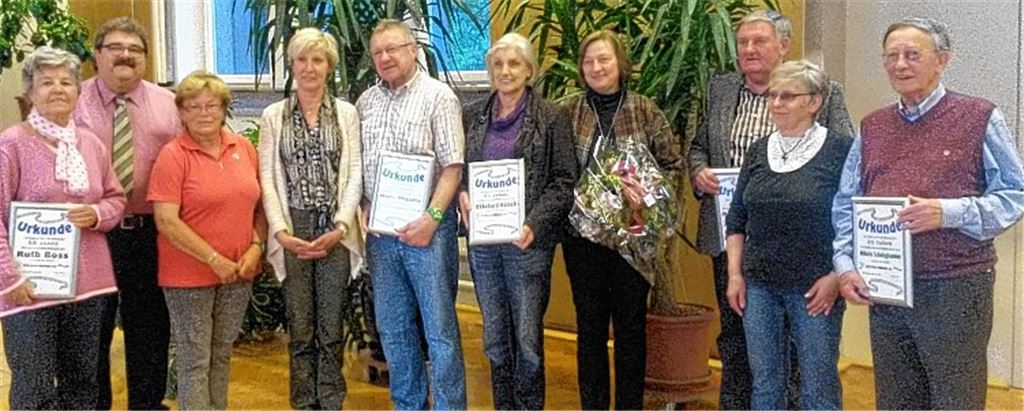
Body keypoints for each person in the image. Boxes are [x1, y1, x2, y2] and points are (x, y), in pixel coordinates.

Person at [832, 17, 1024, 409]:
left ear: (942, 59)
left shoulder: (980, 117)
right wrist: (844, 263)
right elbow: (845, 201)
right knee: (896, 400)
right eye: (891, 57)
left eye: (912, 55)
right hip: (887, 291)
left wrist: (948, 213)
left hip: (955, 288)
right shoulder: (872, 127)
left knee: (956, 400)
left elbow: (1015, 194)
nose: (900, 65)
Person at [686, 10, 853, 409]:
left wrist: (839, 268)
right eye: (742, 42)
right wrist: (698, 173)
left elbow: (849, 184)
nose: (749, 49)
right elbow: (699, 148)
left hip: (809, 260)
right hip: (742, 250)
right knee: (740, 349)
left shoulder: (827, 101)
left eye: (759, 41)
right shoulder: (721, 91)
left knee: (809, 367)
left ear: (783, 45)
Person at [562, 30, 684, 410]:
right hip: (583, 241)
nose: (597, 67)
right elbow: (558, 172)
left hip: (634, 241)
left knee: (631, 330)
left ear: (621, 64)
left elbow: (674, 165)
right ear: (581, 69)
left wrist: (645, 193)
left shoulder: (646, 110)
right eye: (589, 61)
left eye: (604, 59)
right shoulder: (568, 112)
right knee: (590, 330)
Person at [0, 46, 126, 409]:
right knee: (34, 387)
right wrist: (10, 278)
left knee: (83, 383)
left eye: (66, 82)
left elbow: (115, 199)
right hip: (29, 288)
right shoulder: (11, 144)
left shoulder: (91, 144)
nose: (58, 89)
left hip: (89, 287)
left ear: (78, 90)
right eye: (46, 82)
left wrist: (97, 214)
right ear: (30, 92)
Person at [457, 32, 576, 410]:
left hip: (527, 245)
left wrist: (534, 225)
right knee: (494, 337)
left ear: (529, 70)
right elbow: (459, 169)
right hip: (485, 246)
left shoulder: (552, 116)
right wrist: (461, 191)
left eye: (514, 64)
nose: (505, 71)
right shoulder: (472, 115)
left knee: (526, 341)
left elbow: (563, 181)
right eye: (498, 64)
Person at [724, 60, 850, 410]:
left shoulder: (841, 150)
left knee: (818, 387)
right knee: (765, 385)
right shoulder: (758, 150)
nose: (776, 103)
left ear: (814, 102)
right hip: (759, 288)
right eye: (772, 96)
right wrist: (735, 275)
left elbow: (854, 221)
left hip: (815, 289)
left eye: (787, 96)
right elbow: (736, 220)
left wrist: (837, 277)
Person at [356, 19, 467, 409]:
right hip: (382, 237)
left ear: (413, 49)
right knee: (394, 329)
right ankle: (408, 405)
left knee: (439, 330)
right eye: (378, 52)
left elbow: (453, 165)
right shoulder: (366, 102)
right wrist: (365, 205)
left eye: (393, 49)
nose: (385, 57)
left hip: (428, 232)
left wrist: (432, 218)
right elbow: (361, 166)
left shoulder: (439, 97)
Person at [74, 17, 179, 410]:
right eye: (115, 47)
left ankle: (147, 405)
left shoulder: (169, 106)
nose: (125, 55)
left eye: (135, 50)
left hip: (149, 232)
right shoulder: (74, 103)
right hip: (91, 236)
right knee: (92, 329)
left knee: (149, 328)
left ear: (146, 60)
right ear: (97, 56)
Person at [147, 70, 266, 410]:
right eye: (194, 106)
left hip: (239, 272)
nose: (204, 113)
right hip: (189, 276)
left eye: (211, 105)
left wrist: (256, 248)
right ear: (181, 112)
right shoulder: (173, 155)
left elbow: (260, 206)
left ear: (223, 109)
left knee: (222, 352)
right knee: (195, 358)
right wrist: (214, 258)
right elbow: (167, 221)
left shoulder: (243, 147)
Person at [258, 27, 364, 409]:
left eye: (317, 59)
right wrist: (281, 232)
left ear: (329, 66)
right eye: (301, 59)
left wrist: (341, 226)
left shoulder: (347, 114)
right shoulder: (274, 115)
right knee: (301, 328)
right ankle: (303, 402)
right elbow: (268, 179)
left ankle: (331, 399)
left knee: (330, 326)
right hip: (294, 228)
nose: (309, 67)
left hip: (335, 228)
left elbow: (354, 176)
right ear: (292, 64)